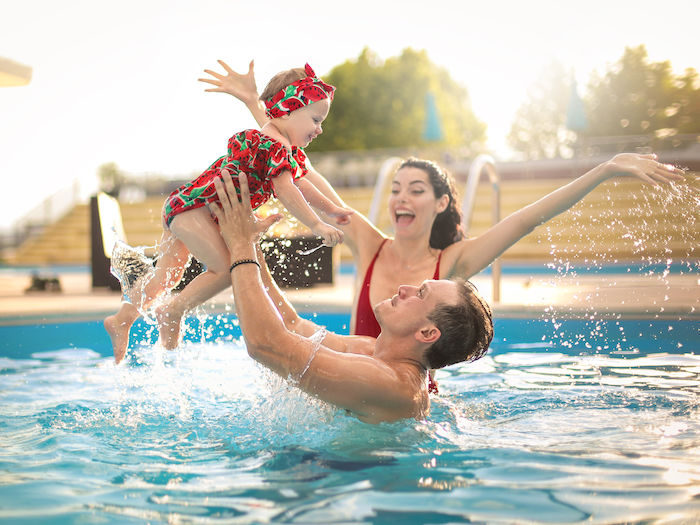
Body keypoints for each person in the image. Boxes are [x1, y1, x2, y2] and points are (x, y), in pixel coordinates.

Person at [200, 59, 686, 393]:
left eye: (414, 189)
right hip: (355, 370)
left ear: (440, 203)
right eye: (395, 188)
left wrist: (603, 170)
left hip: (376, 390)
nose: (399, 198)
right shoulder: (370, 246)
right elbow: (300, 169)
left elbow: (527, 217)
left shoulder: (450, 267)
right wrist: (258, 109)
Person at [105, 63, 352, 363]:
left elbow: (301, 183)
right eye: (315, 119)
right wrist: (316, 224)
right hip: (195, 210)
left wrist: (333, 209)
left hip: (186, 207)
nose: (319, 129)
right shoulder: (272, 145)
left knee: (168, 276)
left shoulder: (282, 148)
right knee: (226, 270)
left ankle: (122, 319)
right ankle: (172, 311)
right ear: (287, 110)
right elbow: (288, 191)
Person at [209, 169, 494, 423]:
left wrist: (240, 245)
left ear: (428, 332)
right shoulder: (372, 351)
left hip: (349, 476)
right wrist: (250, 242)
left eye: (420, 293)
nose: (404, 289)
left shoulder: (391, 384)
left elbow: (266, 345)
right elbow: (292, 326)